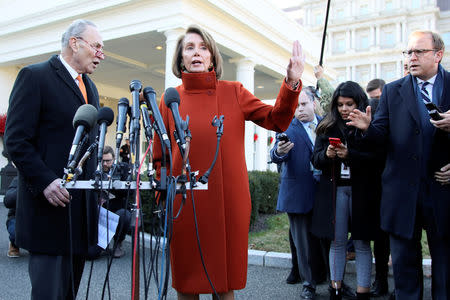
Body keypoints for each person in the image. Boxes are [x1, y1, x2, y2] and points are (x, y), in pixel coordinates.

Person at [154, 24, 305, 300]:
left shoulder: (233, 91)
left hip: (227, 201)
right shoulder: (168, 99)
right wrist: (162, 198)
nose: (197, 53)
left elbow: (276, 119)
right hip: (184, 203)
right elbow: (159, 157)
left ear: (212, 57)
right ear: (180, 59)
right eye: (189, 48)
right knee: (186, 282)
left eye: (203, 47)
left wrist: (292, 83)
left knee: (224, 285)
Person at [4, 19, 104, 299]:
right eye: (96, 46)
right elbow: (15, 141)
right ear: (75, 43)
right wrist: (46, 181)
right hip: (47, 213)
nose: (101, 54)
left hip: (79, 215)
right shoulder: (34, 77)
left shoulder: (91, 88)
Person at [348, 30, 450, 300]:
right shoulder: (393, 91)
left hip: (443, 192)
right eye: (409, 52)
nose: (412, 57)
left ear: (438, 54)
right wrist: (369, 129)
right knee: (405, 271)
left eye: (419, 52)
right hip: (402, 193)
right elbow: (381, 136)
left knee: (446, 270)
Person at [311, 81, 384, 300]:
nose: (344, 109)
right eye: (340, 104)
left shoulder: (369, 124)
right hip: (335, 191)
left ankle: (363, 291)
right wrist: (328, 155)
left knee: (362, 242)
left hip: (362, 191)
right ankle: (336, 289)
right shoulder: (326, 125)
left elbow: (378, 159)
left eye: (349, 104)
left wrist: (349, 154)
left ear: (359, 103)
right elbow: (315, 159)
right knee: (338, 241)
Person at [270, 87, 322, 299]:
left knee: (328, 240)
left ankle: (331, 279)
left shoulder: (326, 124)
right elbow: (275, 153)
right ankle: (308, 283)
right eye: (296, 106)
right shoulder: (285, 126)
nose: (299, 109)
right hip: (297, 192)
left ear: (314, 103)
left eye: (303, 104)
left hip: (324, 192)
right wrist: (278, 152)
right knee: (302, 244)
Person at [87, 145, 131, 259]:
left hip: (116, 211)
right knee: (90, 254)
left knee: (125, 215)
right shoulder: (95, 170)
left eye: (108, 161)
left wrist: (116, 185)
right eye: (103, 161)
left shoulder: (122, 169)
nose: (105, 164)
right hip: (98, 214)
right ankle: (100, 244)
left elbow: (130, 193)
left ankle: (118, 244)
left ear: (114, 159)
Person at [4, 176, 19, 258]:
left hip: (37, 217)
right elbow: (7, 201)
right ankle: (14, 244)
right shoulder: (17, 180)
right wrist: (22, 188)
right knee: (14, 232)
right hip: (17, 217)